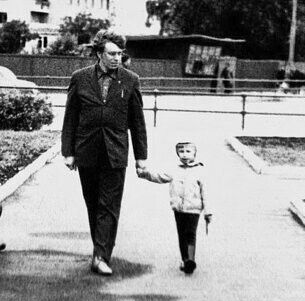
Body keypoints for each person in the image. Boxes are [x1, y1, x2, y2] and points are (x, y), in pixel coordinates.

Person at [61, 29, 148, 276]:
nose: (116, 58)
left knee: (109, 206)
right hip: (87, 150)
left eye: (120, 54)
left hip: (115, 152)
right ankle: (99, 248)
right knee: (93, 204)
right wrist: (68, 151)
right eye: (111, 54)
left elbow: (137, 122)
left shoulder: (130, 80)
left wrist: (141, 158)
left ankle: (101, 256)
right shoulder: (80, 78)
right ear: (99, 54)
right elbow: (71, 117)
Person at [138, 138, 212, 275]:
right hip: (178, 209)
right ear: (177, 153)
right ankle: (185, 260)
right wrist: (145, 174)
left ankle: (190, 259)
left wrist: (208, 212)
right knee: (182, 235)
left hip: (194, 209)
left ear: (195, 153)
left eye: (188, 151)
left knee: (190, 234)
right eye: (181, 151)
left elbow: (206, 192)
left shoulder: (200, 171)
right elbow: (159, 177)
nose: (185, 154)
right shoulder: (174, 169)